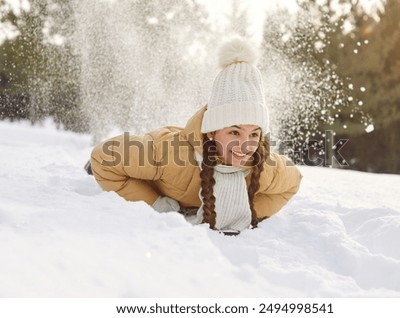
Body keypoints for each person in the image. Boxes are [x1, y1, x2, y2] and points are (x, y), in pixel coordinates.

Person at [89, 36, 302, 235]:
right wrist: (155, 203)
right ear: (212, 130)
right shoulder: (171, 157)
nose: (246, 146)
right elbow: (103, 158)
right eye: (234, 132)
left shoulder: (263, 167)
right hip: (163, 145)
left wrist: (246, 209)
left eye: (254, 134)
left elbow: (292, 183)